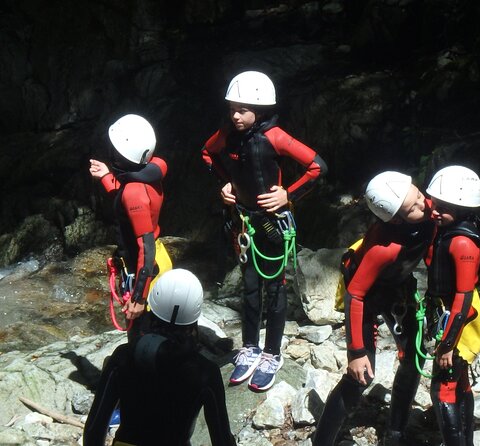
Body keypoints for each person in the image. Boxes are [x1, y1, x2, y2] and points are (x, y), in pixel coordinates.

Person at [201, 70, 327, 391]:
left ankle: (272, 353)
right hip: (244, 222)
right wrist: (225, 183)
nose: (235, 115)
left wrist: (288, 194)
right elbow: (206, 153)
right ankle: (250, 347)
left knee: (274, 288)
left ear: (261, 110)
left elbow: (317, 166)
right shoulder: (227, 134)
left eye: (242, 109)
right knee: (249, 286)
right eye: (232, 108)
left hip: (272, 224)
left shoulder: (275, 136)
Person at [312, 171, 434, 446]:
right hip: (366, 296)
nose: (422, 205)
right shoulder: (385, 247)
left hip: (396, 288)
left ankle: (396, 431)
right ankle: (322, 441)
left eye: (418, 196)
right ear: (397, 220)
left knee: (416, 358)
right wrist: (355, 353)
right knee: (361, 376)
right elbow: (355, 295)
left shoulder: (429, 216)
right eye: (412, 208)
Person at [83, 268, 237, 446]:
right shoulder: (205, 372)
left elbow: (94, 429)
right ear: (193, 321)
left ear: (151, 311)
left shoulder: (123, 357)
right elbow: (222, 440)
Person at [424, 165, 480, 445]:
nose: (436, 211)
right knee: (460, 382)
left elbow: (464, 299)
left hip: (460, 320)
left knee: (442, 389)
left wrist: (447, 344)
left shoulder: (463, 243)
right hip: (451, 314)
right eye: (436, 203)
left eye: (444, 207)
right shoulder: (447, 227)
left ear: (463, 209)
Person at [89, 114, 171, 337]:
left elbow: (146, 248)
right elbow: (126, 201)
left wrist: (138, 298)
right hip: (154, 262)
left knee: (141, 336)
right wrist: (107, 177)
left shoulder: (134, 191)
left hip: (143, 269)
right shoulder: (149, 172)